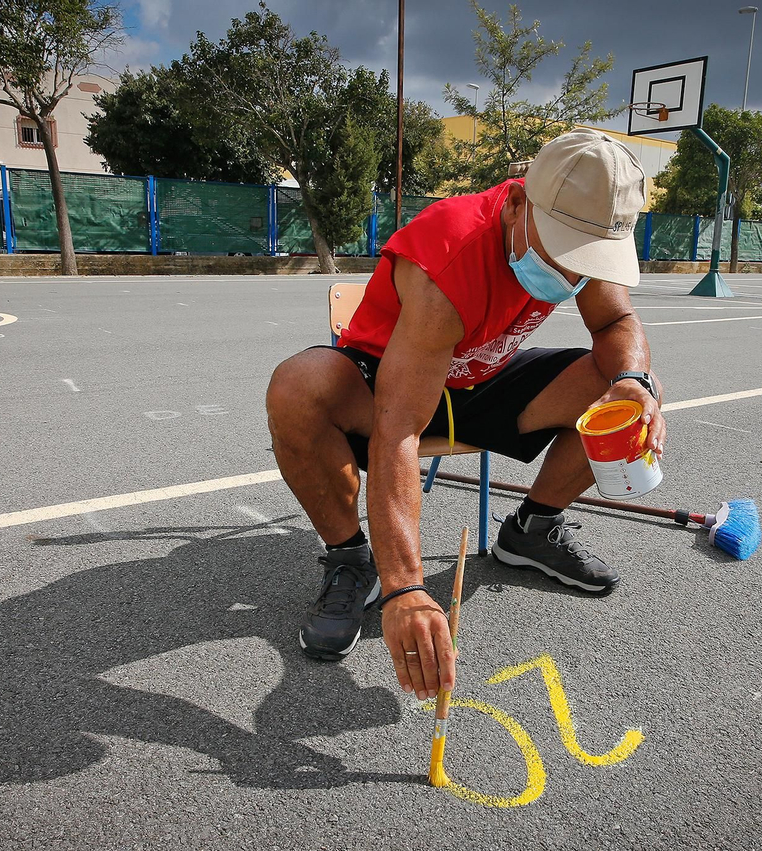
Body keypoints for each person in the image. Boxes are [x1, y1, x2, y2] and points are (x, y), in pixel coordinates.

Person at [265, 128, 667, 702]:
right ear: (519, 201)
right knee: (297, 387)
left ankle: (531, 530)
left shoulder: (579, 223)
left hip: (480, 376)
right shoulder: (448, 254)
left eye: (589, 261)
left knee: (622, 387)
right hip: (385, 383)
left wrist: (635, 381)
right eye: (564, 254)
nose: (573, 276)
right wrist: (406, 586)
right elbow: (400, 426)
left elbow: (615, 323)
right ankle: (352, 559)